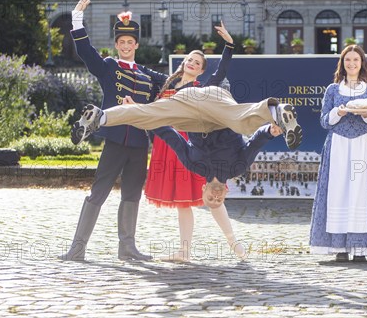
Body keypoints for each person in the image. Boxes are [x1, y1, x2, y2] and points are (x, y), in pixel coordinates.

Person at [60, 0, 167, 262]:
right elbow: (85, 51)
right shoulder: (108, 67)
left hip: (139, 142)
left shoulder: (147, 74)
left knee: (132, 194)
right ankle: (77, 248)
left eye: (131, 41)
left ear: (136, 45)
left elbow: (171, 84)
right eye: (122, 41)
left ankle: (127, 247)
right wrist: (77, 17)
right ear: (117, 44)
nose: (126, 45)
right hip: (116, 139)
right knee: (99, 192)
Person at [143, 22, 250, 262]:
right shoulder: (167, 83)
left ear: (201, 71)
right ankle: (184, 251)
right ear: (183, 63)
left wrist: (229, 46)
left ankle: (235, 244)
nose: (191, 63)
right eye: (189, 59)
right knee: (182, 201)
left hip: (191, 147)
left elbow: (221, 71)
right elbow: (143, 74)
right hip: (167, 144)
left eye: (197, 63)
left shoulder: (203, 88)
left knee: (212, 196)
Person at [151, 122, 284, 261]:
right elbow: (255, 143)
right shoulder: (237, 168)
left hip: (199, 117)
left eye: (210, 199)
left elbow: (171, 137)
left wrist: (140, 115)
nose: (215, 196)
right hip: (224, 118)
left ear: (203, 189)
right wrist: (269, 130)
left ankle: (191, 250)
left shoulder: (193, 165)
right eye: (218, 200)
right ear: (226, 193)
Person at [309, 45, 367, 262]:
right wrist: (339, 111)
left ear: (362, 63)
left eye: (356, 60)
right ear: (342, 63)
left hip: (363, 145)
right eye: (348, 60)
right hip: (338, 146)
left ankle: (361, 248)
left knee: (360, 192)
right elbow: (324, 121)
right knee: (339, 191)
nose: (352, 64)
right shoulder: (333, 90)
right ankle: (340, 248)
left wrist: (366, 113)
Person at [70, 82, 302, 151]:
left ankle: (100, 118)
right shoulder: (214, 85)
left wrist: (228, 46)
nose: (191, 63)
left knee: (146, 115)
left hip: (194, 108)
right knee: (239, 120)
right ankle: (276, 112)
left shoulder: (177, 77)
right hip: (210, 100)